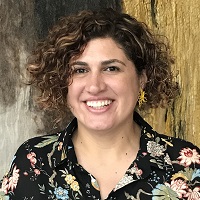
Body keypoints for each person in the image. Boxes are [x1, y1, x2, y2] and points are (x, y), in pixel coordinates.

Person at [0, 8, 200, 200]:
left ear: (142, 79)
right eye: (80, 70)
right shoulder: (33, 162)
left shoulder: (187, 167)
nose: (94, 86)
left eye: (111, 68)